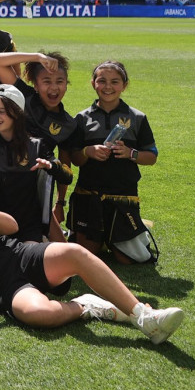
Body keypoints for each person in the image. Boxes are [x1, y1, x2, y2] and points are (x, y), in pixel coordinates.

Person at [0, 174, 184, 344]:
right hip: (3, 288)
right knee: (40, 315)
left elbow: (11, 227)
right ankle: (87, 306)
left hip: (21, 255)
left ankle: (145, 316)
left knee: (74, 252)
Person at [68, 61, 160, 264]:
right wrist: (88, 151)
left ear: (124, 85)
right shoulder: (82, 118)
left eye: (115, 81)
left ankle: (132, 233)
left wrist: (130, 153)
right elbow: (75, 158)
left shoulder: (137, 117)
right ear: (93, 83)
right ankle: (101, 238)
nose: (108, 86)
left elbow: (152, 156)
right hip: (89, 196)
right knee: (86, 256)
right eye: (102, 81)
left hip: (122, 196)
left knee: (126, 260)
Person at [0, 85, 70, 243]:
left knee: (29, 262)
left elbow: (68, 177)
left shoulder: (36, 146)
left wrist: (52, 167)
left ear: (17, 113)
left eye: (2, 111)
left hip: (28, 228)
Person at [0, 50, 79, 234]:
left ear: (67, 84)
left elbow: (64, 166)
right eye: (46, 82)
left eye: (59, 82)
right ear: (36, 85)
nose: (54, 88)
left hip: (36, 182)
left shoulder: (69, 124)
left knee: (41, 237)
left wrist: (60, 203)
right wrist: (37, 57)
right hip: (4, 173)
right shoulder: (24, 96)